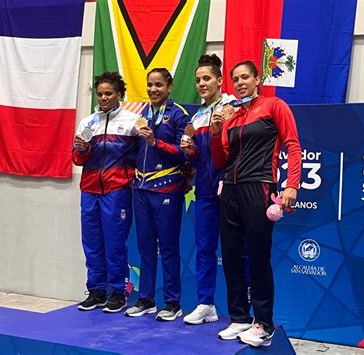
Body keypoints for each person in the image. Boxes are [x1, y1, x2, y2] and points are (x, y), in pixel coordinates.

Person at [211, 61, 301, 347]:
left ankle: (263, 324)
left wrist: (292, 185)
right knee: (231, 255)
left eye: (245, 77)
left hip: (259, 187)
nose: (240, 83)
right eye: (235, 79)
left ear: (256, 79)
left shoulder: (274, 106)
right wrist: (216, 132)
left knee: (258, 257)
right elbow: (220, 160)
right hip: (231, 190)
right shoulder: (231, 116)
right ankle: (239, 317)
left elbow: (293, 145)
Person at [124, 68, 189, 321]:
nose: (153, 89)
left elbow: (185, 152)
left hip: (167, 188)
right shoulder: (142, 114)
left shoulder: (179, 115)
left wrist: (155, 143)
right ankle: (146, 299)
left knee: (169, 247)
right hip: (140, 189)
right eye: (150, 85)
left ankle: (172, 302)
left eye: (159, 85)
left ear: (169, 87)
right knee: (145, 247)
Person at [73, 72, 139, 313]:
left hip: (116, 191)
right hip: (89, 190)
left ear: (119, 94)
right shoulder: (87, 123)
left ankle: (118, 292)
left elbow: (141, 157)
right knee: (91, 243)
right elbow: (77, 159)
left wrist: (129, 176)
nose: (103, 97)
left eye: (108, 93)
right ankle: (96, 290)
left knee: (114, 243)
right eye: (100, 94)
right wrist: (81, 149)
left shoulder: (133, 121)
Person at [179, 54, 235, 325]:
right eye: (198, 79)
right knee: (204, 248)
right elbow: (199, 157)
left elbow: (237, 146)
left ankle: (242, 313)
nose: (201, 83)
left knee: (237, 250)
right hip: (204, 189)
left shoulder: (232, 107)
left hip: (231, 186)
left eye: (207, 78)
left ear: (219, 81)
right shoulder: (197, 116)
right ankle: (206, 304)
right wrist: (189, 151)